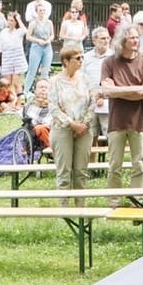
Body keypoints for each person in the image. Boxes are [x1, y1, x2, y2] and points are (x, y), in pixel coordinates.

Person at [100, 26, 143, 195]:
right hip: (116, 120)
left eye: (137, 38)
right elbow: (107, 91)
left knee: (139, 163)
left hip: (138, 121)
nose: (135, 41)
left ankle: (137, 199)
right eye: (131, 38)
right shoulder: (109, 62)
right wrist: (135, 90)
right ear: (122, 41)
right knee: (114, 165)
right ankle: (114, 201)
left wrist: (119, 90)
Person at [50, 46, 94, 190]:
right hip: (62, 129)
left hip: (84, 129)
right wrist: (72, 124)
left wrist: (84, 124)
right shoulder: (55, 81)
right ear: (66, 61)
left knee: (81, 172)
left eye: (82, 57)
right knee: (64, 173)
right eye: (77, 58)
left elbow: (93, 102)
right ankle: (65, 211)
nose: (81, 61)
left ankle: (80, 210)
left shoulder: (86, 79)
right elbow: (53, 108)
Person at [0, 11, 29, 108]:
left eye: (12, 21)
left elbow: (25, 30)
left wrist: (18, 19)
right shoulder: (3, 32)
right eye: (9, 20)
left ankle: (18, 103)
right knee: (7, 83)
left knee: (16, 82)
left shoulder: (18, 32)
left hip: (18, 58)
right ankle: (9, 102)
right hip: (7, 58)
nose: (10, 22)